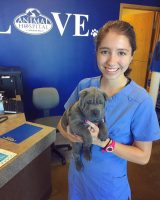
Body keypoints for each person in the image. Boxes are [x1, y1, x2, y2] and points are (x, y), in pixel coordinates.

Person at [57, 20, 160, 200]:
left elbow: (143, 157)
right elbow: (61, 124)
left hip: (108, 187)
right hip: (78, 178)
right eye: (105, 51)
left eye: (121, 52)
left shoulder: (140, 100)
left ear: (131, 56)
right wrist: (70, 134)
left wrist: (103, 142)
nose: (112, 61)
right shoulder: (85, 86)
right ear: (97, 53)